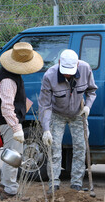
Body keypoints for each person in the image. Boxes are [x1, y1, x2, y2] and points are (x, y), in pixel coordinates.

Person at [39, 49, 97, 193]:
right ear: (59, 63)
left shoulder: (85, 69)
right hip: (57, 114)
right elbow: (44, 105)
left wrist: (88, 106)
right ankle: (54, 183)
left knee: (80, 148)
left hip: (78, 113)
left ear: (77, 64)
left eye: (70, 71)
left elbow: (91, 91)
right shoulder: (49, 76)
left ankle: (76, 183)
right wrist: (46, 129)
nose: (67, 75)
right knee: (54, 149)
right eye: (65, 71)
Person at [0, 42, 43, 200]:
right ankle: (10, 190)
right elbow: (7, 107)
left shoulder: (11, 75)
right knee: (13, 157)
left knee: (10, 154)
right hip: (8, 123)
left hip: (9, 122)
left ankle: (3, 185)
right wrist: (16, 128)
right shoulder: (8, 79)